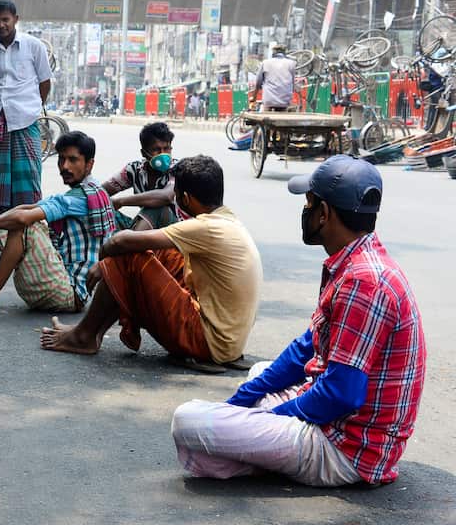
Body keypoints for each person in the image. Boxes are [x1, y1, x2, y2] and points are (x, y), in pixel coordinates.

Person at [171, 156, 424, 486]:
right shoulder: (358, 261)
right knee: (261, 374)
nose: (304, 212)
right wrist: (241, 403)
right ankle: (251, 452)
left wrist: (265, 420)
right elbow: (306, 348)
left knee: (186, 421)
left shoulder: (363, 282)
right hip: (337, 422)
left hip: (345, 450)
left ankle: (253, 454)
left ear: (324, 214)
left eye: (308, 202)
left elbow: (341, 394)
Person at [41, 155, 262, 369]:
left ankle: (84, 336)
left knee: (128, 254)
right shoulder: (228, 221)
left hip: (208, 342)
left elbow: (120, 242)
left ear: (185, 198)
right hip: (227, 342)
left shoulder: (205, 228)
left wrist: (104, 261)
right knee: (156, 251)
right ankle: (91, 330)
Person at [0, 131, 117, 317]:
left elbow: (23, 218)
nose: (65, 166)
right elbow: (29, 207)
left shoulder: (80, 197)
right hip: (71, 288)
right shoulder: (92, 191)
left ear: (89, 164)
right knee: (18, 220)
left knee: (24, 226)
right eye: (61, 159)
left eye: (73, 160)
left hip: (70, 293)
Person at [0, 0, 52, 249]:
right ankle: (3, 235)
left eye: (6, 20)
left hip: (26, 121)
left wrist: (31, 108)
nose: (2, 25)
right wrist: (3, 110)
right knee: (0, 182)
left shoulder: (33, 46)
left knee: (28, 178)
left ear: (15, 19)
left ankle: (32, 233)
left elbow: (45, 82)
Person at [102, 121, 181, 231]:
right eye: (156, 150)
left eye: (167, 149)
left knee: (155, 207)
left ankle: (132, 243)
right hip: (146, 225)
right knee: (102, 210)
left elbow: (166, 197)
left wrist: (121, 201)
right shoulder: (134, 170)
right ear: (144, 153)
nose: (163, 154)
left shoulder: (178, 168)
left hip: (172, 231)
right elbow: (100, 192)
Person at [255, 44, 297, 112]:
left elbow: (258, 82)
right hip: (285, 100)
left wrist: (253, 98)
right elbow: (292, 83)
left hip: (268, 100)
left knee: (265, 113)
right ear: (284, 52)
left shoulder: (265, 63)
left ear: (273, 52)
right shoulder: (291, 63)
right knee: (282, 116)